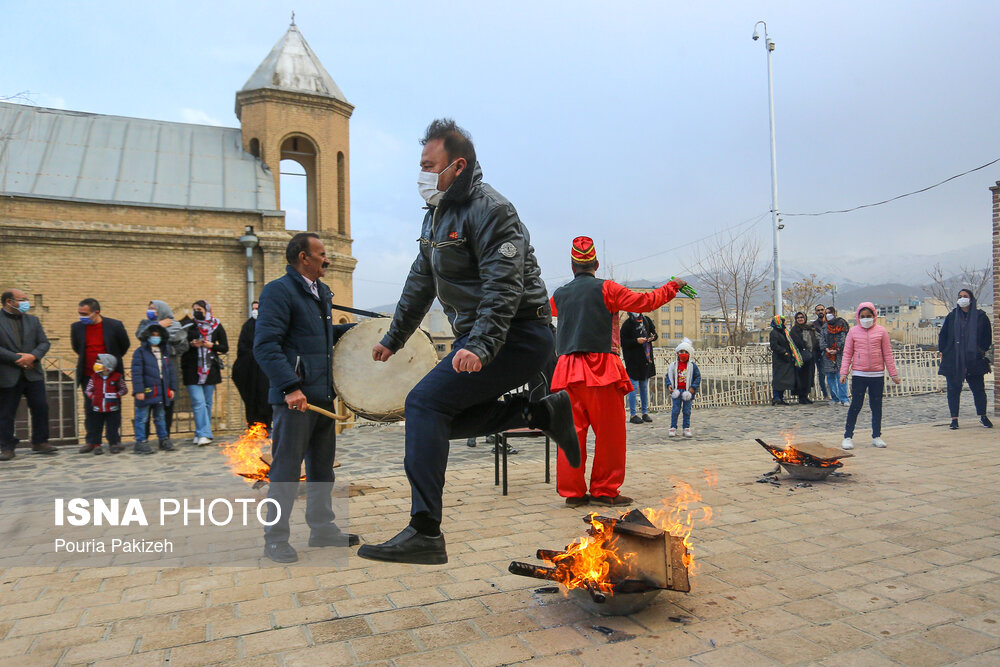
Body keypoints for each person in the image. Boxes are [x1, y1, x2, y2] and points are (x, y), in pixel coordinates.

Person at [357, 119, 578, 565]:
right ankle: (536, 411)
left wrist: (479, 346)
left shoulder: (493, 210)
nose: (421, 174)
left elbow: (504, 288)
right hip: (483, 336)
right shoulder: (436, 213)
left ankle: (424, 532)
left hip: (518, 335)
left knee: (423, 405)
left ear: (457, 165)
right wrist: (393, 338)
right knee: (433, 421)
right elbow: (420, 281)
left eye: (428, 165)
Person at [549, 237, 683, 506]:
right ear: (596, 264)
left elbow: (542, 312)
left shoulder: (560, 295)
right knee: (609, 434)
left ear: (573, 266)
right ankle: (604, 490)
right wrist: (672, 287)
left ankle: (573, 494)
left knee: (570, 433)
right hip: (601, 369)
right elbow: (644, 302)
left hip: (566, 371)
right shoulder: (607, 289)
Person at [254, 232, 358, 563]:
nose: (326, 259)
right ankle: (275, 538)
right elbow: (266, 346)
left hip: (321, 399)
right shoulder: (279, 291)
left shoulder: (320, 293)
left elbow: (321, 340)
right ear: (304, 257)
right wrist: (290, 387)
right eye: (322, 254)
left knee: (322, 469)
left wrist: (362, 332)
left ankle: (322, 529)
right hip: (295, 400)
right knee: (285, 470)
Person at [0, 289, 55, 460]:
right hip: (8, 374)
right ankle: (7, 446)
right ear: (9, 302)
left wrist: (33, 356)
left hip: (33, 373)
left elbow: (44, 343)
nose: (26, 302)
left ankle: (40, 441)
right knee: (6, 412)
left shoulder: (33, 320)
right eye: (22, 299)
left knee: (41, 406)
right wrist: (17, 359)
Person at [71, 298, 130, 452]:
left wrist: (110, 364)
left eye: (85, 313)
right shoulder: (76, 328)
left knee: (113, 408)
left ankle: (114, 441)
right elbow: (77, 348)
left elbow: (124, 346)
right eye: (79, 313)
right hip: (89, 375)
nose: (81, 316)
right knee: (91, 408)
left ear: (96, 312)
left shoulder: (114, 325)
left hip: (111, 375)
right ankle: (93, 441)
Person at [839, 302, 900, 449]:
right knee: (855, 405)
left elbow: (887, 354)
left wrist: (893, 374)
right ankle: (848, 436)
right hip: (859, 374)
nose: (866, 319)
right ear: (858, 317)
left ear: (874, 316)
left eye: (869, 316)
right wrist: (844, 372)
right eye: (863, 316)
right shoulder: (853, 332)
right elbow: (847, 353)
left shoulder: (882, 331)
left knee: (876, 406)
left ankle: (876, 436)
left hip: (877, 375)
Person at [938, 288, 993, 429]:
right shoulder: (952, 316)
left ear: (971, 299)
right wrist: (944, 351)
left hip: (973, 359)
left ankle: (983, 416)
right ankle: (954, 419)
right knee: (953, 390)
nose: (962, 298)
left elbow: (987, 336)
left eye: (965, 296)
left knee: (978, 389)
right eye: (960, 296)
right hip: (954, 359)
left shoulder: (980, 317)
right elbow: (943, 335)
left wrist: (981, 350)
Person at [180, 300, 229, 445]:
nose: (197, 312)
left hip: (210, 369)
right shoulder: (188, 326)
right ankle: (204, 433)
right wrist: (191, 344)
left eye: (199, 309)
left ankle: (200, 432)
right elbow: (179, 344)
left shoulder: (216, 326)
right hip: (192, 369)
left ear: (207, 310)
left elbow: (225, 347)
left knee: (207, 403)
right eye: (194, 309)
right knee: (198, 402)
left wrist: (211, 345)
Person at [136, 300, 188, 436]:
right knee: (147, 404)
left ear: (162, 310)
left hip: (167, 365)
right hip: (148, 368)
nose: (150, 311)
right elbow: (141, 336)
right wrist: (157, 325)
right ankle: (144, 437)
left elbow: (183, 346)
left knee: (167, 404)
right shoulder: (145, 324)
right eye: (149, 308)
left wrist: (168, 349)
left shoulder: (175, 325)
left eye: (154, 308)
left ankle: (165, 436)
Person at [130, 324, 177, 454]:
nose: (155, 338)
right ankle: (141, 441)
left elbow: (170, 372)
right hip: (147, 390)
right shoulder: (140, 352)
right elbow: (137, 373)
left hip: (161, 390)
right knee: (142, 417)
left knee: (160, 416)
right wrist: (139, 390)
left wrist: (172, 387)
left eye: (158, 336)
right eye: (153, 336)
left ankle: (163, 439)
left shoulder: (164, 352)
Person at [232, 300, 272, 427]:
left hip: (265, 370)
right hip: (250, 369)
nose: (255, 311)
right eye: (253, 308)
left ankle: (267, 424)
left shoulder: (269, 325)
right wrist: (254, 353)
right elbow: (242, 348)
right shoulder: (247, 326)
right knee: (252, 398)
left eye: (257, 308)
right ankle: (254, 425)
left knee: (266, 396)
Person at [83, 354, 128, 454]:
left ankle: (113, 444)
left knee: (112, 427)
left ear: (107, 365)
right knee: (97, 427)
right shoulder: (93, 377)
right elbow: (88, 390)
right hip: (97, 408)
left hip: (112, 407)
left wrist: (116, 395)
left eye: (99, 363)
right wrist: (93, 397)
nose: (96, 364)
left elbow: (124, 389)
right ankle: (97, 445)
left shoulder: (117, 377)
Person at [621, 311, 658, 423]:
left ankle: (645, 412)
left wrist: (652, 337)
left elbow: (655, 334)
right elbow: (623, 341)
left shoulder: (646, 320)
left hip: (645, 359)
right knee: (633, 387)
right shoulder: (627, 324)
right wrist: (636, 341)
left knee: (644, 387)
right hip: (633, 361)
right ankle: (633, 414)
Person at [666, 338, 701, 437]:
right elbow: (668, 376)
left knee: (687, 411)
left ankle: (686, 428)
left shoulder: (692, 366)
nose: (683, 354)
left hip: (687, 392)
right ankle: (673, 427)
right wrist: (669, 385)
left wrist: (692, 388)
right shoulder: (673, 365)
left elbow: (697, 377)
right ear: (677, 353)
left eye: (686, 352)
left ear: (689, 353)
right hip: (676, 390)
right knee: (675, 410)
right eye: (681, 351)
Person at [819, 306, 850, 405]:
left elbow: (844, 338)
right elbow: (822, 339)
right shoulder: (825, 327)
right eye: (826, 313)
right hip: (828, 355)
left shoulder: (841, 325)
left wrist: (837, 349)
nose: (828, 315)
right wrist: (826, 349)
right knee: (830, 377)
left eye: (830, 313)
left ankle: (844, 398)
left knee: (841, 376)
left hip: (839, 354)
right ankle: (834, 398)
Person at [768, 315, 801, 405]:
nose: (785, 323)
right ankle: (776, 397)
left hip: (786, 360)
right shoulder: (774, 333)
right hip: (780, 359)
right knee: (778, 379)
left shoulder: (784, 332)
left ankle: (780, 398)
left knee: (784, 380)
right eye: (783, 321)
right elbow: (774, 346)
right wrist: (784, 352)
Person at [789, 311, 817, 404]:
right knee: (801, 377)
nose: (800, 319)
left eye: (802, 317)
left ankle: (806, 395)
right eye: (798, 318)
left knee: (809, 376)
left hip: (810, 356)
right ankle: (801, 396)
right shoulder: (794, 330)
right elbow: (796, 342)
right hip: (800, 357)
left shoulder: (809, 328)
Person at [812, 304, 830, 400]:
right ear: (816, 312)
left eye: (822, 310)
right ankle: (826, 394)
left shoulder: (831, 323)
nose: (820, 312)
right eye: (818, 310)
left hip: (832, 353)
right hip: (819, 353)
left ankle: (835, 393)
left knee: (833, 373)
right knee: (822, 374)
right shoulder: (813, 325)